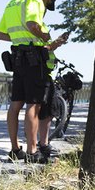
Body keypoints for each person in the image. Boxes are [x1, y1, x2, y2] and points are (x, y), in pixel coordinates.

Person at [0, 0, 59, 163]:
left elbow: (0, 34)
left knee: (16, 104)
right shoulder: (34, 0)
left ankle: (15, 149)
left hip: (17, 58)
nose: (46, 6)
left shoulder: (14, 0)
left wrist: (19, 39)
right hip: (34, 60)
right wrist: (44, 36)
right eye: (49, 1)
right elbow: (33, 24)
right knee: (34, 104)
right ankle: (32, 152)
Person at [36, 24, 71, 161]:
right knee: (43, 112)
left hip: (45, 73)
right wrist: (56, 43)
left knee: (46, 112)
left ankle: (42, 144)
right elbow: (46, 49)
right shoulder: (35, 31)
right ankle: (41, 146)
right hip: (42, 73)